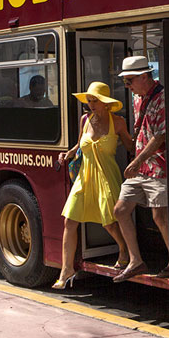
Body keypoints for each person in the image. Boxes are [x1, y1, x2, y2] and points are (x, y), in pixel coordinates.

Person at [53, 82, 134, 289]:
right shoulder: (85, 120)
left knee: (109, 222)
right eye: (89, 100)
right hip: (84, 176)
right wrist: (68, 155)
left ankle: (124, 249)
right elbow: (79, 145)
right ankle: (66, 269)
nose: (90, 104)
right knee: (70, 221)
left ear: (105, 103)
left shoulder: (118, 122)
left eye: (94, 100)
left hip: (107, 175)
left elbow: (130, 146)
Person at [113, 56, 169, 282]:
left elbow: (160, 136)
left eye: (129, 81)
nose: (127, 86)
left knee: (160, 217)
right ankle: (136, 260)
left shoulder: (163, 97)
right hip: (142, 167)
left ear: (145, 76)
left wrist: (137, 161)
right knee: (120, 210)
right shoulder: (138, 98)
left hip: (158, 167)